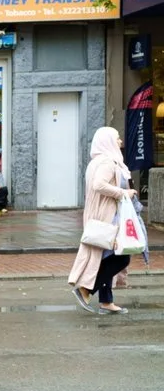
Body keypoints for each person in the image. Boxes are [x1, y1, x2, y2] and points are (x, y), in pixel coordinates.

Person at [68, 126, 139, 315]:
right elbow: (99, 185)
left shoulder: (98, 161)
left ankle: (106, 301)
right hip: (107, 217)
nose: (120, 141)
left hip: (101, 216)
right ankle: (86, 289)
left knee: (105, 258)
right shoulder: (108, 162)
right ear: (107, 140)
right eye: (117, 138)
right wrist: (125, 192)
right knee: (121, 257)